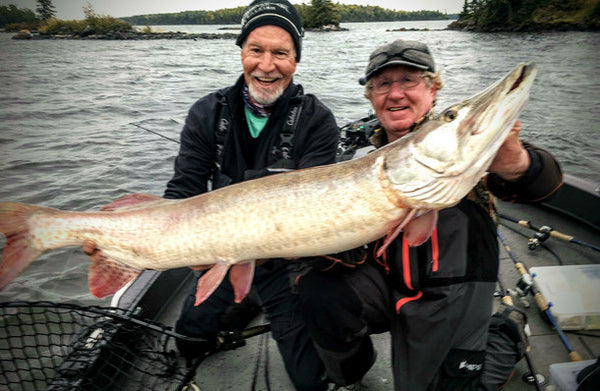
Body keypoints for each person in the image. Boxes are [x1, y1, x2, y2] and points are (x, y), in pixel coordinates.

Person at [83, 1, 338, 389]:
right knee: (189, 339)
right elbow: (183, 192)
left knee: (310, 379)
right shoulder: (207, 113)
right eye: (256, 50)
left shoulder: (318, 121)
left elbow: (316, 213)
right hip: (219, 248)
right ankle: (243, 296)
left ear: (296, 61)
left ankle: (256, 295)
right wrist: (124, 238)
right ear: (241, 52)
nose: (266, 65)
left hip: (285, 259)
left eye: (280, 53)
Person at [296, 39, 563, 391]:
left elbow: (540, 182)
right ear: (371, 96)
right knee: (317, 292)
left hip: (452, 291)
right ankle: (349, 374)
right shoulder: (358, 156)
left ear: (433, 89)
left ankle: (507, 332)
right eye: (383, 84)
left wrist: (516, 163)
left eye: (408, 80)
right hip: (388, 282)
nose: (395, 94)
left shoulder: (463, 143)